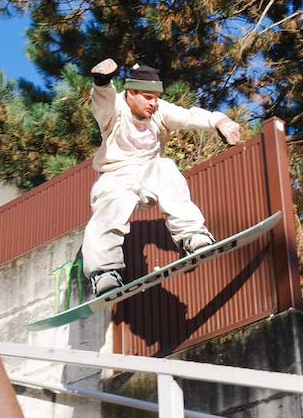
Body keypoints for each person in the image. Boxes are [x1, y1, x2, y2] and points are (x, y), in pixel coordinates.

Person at [84, 60, 241, 296]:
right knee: (108, 204)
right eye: (147, 97)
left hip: (146, 175)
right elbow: (102, 102)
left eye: (156, 97)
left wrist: (221, 122)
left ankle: (192, 235)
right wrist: (102, 82)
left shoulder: (160, 110)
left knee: (165, 165)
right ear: (130, 93)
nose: (153, 103)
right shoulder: (116, 107)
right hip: (115, 177)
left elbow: (191, 116)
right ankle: (104, 272)